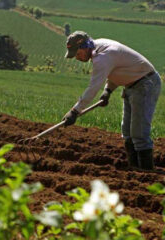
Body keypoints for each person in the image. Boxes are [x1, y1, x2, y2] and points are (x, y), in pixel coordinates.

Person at [62, 31, 162, 170]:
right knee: (127, 131)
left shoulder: (103, 56)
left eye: (78, 53)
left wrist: (75, 111)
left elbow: (93, 88)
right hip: (131, 85)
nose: (77, 58)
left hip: (145, 84)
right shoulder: (100, 47)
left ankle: (146, 171)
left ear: (85, 46)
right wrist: (107, 91)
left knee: (138, 132)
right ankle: (135, 168)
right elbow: (117, 70)